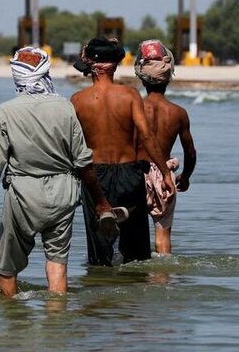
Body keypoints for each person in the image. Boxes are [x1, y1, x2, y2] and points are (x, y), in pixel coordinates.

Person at [0, 47, 116, 298]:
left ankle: (12, 315)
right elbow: (83, 162)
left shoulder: (6, 112)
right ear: (45, 74)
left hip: (23, 194)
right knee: (57, 262)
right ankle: (57, 315)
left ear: (17, 77)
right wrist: (101, 203)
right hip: (64, 192)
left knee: (8, 268)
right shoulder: (65, 108)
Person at [70, 37, 175, 267]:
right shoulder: (130, 95)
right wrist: (166, 173)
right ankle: (133, 288)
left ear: (91, 67)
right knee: (136, 255)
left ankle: (100, 286)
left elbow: (71, 146)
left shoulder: (77, 100)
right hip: (129, 175)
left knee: (100, 255)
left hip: (95, 177)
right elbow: (146, 136)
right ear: (115, 66)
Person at [134, 39, 197, 255]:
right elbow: (190, 152)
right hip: (164, 176)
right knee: (163, 237)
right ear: (169, 77)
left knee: (131, 233)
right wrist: (185, 177)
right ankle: (163, 273)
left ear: (141, 78)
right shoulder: (178, 113)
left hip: (136, 173)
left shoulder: (135, 108)